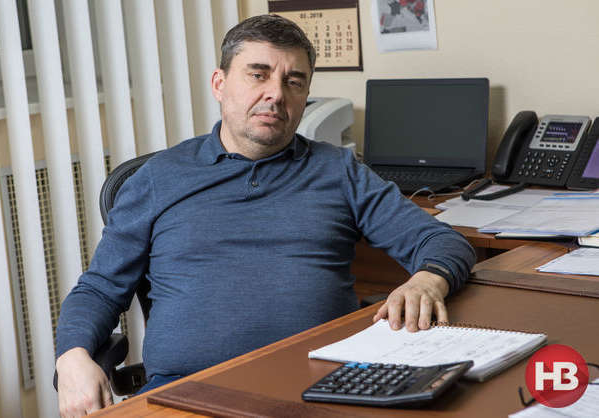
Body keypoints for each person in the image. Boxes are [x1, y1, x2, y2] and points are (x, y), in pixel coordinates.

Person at [55, 14, 475, 417]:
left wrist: (426, 280)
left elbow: (442, 241)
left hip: (327, 387)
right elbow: (99, 289)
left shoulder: (338, 171)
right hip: (189, 392)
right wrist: (72, 358)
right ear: (219, 84)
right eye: (258, 75)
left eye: (294, 82)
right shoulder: (157, 178)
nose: (276, 94)